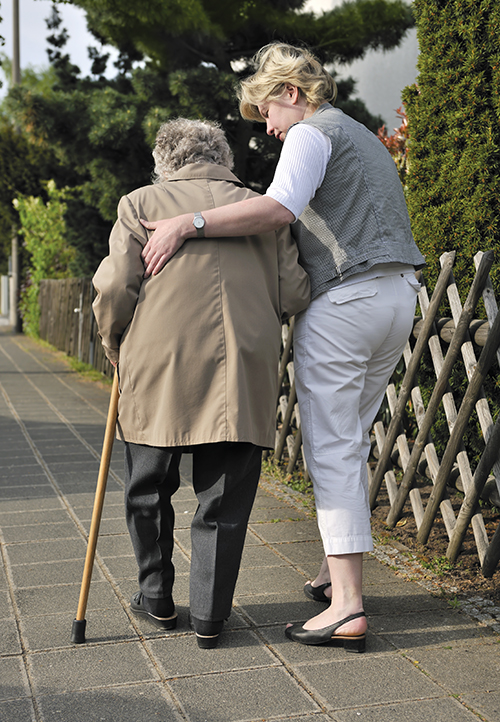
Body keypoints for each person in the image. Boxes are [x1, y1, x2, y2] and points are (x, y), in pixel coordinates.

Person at [139, 44, 426, 653]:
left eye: (266, 109)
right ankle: (333, 571)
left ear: (292, 93)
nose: (266, 127)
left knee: (331, 446)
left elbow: (275, 210)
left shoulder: (310, 133)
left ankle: (347, 605)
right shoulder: (362, 136)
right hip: (401, 295)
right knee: (353, 433)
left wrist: (187, 223)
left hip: (346, 300)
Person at [92, 117, 310, 649]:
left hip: (158, 363)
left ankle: (157, 598)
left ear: (165, 160)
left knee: (147, 487)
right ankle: (211, 618)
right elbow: (295, 294)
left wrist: (113, 344)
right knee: (224, 499)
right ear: (225, 159)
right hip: (242, 362)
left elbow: (116, 287)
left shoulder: (141, 204)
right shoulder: (263, 209)